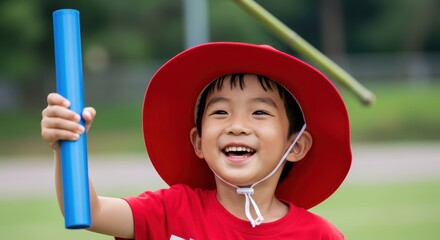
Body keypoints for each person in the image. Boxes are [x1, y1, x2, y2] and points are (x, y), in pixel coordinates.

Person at [41, 42, 352, 239]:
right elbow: (85, 212)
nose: (237, 126)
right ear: (198, 141)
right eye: (220, 112)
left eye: (259, 112)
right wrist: (65, 144)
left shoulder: (319, 235)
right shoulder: (169, 211)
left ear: (295, 145)